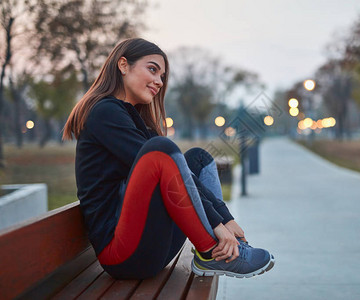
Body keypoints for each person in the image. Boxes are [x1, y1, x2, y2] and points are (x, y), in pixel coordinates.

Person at [63, 38, 275, 279]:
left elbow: (185, 177)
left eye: (162, 76)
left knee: (198, 159)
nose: (159, 82)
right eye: (152, 69)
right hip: (121, 254)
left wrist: (226, 218)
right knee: (162, 150)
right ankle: (212, 251)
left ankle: (215, 251)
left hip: (150, 245)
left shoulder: (136, 121)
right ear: (123, 65)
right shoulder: (103, 112)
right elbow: (165, 166)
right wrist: (217, 224)